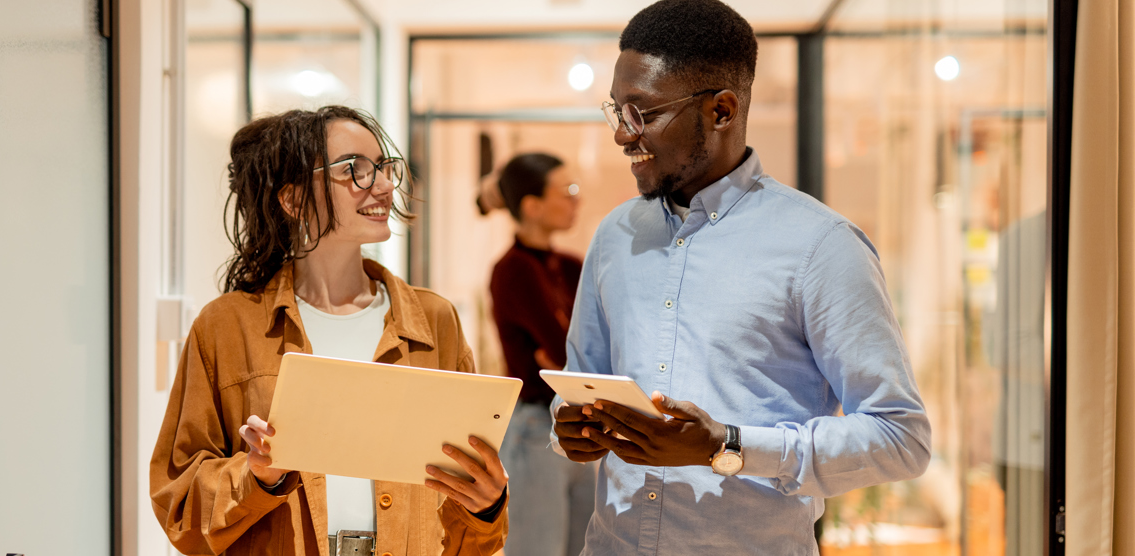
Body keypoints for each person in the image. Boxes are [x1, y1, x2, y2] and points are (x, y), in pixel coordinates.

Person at [548, 1, 932, 554]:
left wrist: (726, 446)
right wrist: (572, 429)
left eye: (644, 113)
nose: (621, 135)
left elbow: (901, 438)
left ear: (722, 111)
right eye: (617, 110)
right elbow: (580, 379)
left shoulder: (821, 247)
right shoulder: (614, 236)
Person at [150, 106, 509, 556]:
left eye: (383, 167)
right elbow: (178, 504)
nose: (382, 185)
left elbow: (472, 522)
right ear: (294, 200)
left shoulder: (435, 321)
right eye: (353, 169)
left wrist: (488, 507)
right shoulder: (226, 326)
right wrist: (258, 476)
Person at [487, 153, 595, 556]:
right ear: (532, 205)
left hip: (583, 421)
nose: (576, 201)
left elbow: (590, 350)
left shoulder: (568, 266)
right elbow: (565, 349)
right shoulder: (512, 269)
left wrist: (565, 358)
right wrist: (565, 357)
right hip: (535, 425)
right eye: (566, 192)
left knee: (586, 547)